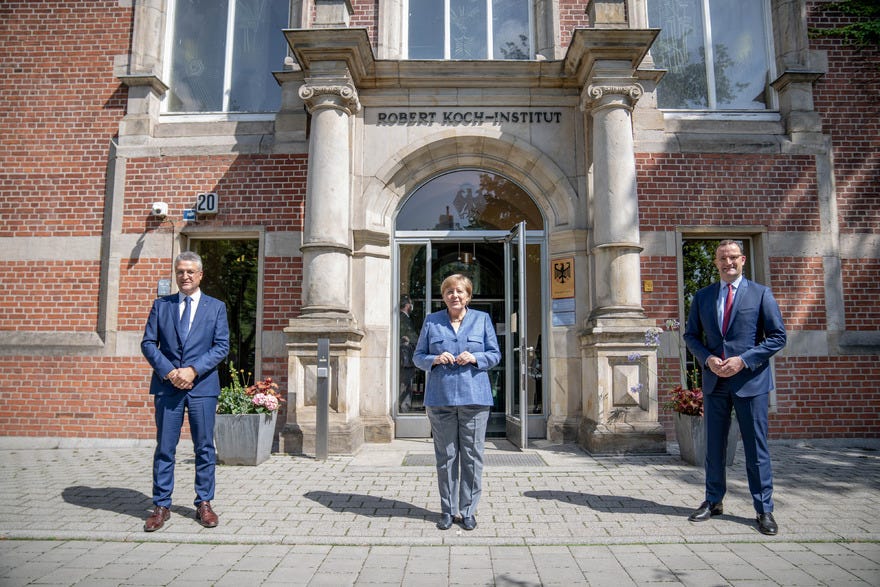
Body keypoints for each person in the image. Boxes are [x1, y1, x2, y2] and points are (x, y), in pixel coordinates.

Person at [683, 239, 787, 536]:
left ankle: (763, 509)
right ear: (716, 263)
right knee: (714, 447)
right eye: (721, 258)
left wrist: (743, 360)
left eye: (732, 258)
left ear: (742, 260)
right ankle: (713, 501)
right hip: (715, 381)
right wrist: (708, 359)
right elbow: (691, 337)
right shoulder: (702, 297)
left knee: (756, 449)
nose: (727, 263)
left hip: (750, 383)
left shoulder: (761, 294)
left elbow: (778, 337)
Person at [140, 251, 230, 532]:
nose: (185, 276)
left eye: (191, 271)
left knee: (204, 448)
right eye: (180, 271)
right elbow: (148, 343)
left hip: (202, 387)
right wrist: (169, 372)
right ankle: (161, 505)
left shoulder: (215, 307)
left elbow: (221, 346)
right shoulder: (161, 305)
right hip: (168, 388)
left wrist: (192, 370)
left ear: (200, 275)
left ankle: (204, 503)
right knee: (165, 448)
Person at [413, 274, 501, 531]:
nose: (455, 295)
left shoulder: (482, 320)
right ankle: (448, 510)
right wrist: (435, 359)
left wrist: (474, 357)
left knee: (472, 457)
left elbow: (495, 354)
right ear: (443, 296)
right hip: (441, 399)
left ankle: (468, 510)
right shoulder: (432, 321)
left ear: (468, 296)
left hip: (474, 399)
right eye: (449, 291)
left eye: (460, 291)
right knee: (446, 457)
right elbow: (418, 356)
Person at [398, 295, 418, 411]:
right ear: (407, 305)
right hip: (405, 358)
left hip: (406, 357)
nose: (411, 306)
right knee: (405, 384)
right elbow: (412, 337)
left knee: (406, 383)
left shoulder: (402, 318)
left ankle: (405, 407)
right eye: (410, 304)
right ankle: (404, 408)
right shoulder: (403, 318)